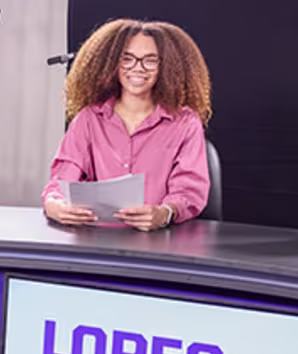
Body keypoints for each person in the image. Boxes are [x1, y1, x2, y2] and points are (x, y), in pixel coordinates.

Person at [43, 19, 213, 231]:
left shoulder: (185, 123)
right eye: (127, 59)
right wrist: (54, 205)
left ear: (165, 66)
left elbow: (189, 190)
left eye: (150, 61)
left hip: (159, 242)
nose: (138, 68)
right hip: (95, 240)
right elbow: (61, 180)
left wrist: (165, 212)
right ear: (113, 63)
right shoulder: (88, 119)